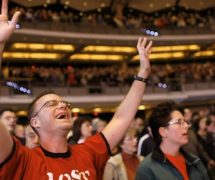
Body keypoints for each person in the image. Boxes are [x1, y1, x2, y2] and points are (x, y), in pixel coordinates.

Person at [0, 0, 153, 179]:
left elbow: (122, 118)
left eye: (64, 102)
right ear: (35, 123)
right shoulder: (23, 160)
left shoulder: (88, 152)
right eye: (51, 103)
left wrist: (142, 74)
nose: (63, 106)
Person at [135, 101, 210, 180]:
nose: (187, 126)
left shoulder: (194, 161)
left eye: (185, 121)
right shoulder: (147, 169)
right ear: (163, 132)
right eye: (179, 122)